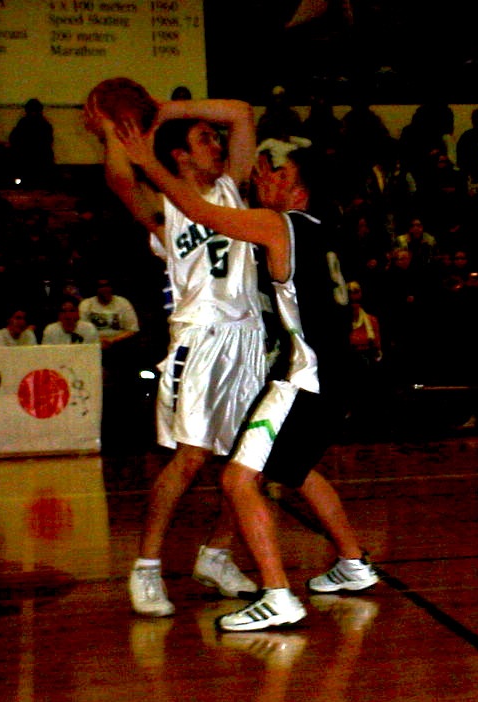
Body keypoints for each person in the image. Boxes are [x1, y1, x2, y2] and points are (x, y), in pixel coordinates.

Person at [117, 125, 379, 632]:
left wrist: (146, 160)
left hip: (304, 377)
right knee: (296, 470)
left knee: (238, 478)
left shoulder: (278, 225)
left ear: (299, 194)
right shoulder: (322, 230)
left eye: (280, 175)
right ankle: (353, 562)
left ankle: (278, 595)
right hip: (336, 374)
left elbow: (202, 212)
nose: (266, 177)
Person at [91, 95, 266, 617]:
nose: (216, 142)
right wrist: (116, 128)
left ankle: (217, 556)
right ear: (180, 157)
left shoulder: (233, 187)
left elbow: (241, 113)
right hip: (200, 338)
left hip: (249, 337)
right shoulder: (162, 209)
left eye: (213, 137)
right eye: (203, 139)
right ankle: (145, 567)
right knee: (190, 458)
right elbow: (121, 180)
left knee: (251, 461)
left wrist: (161, 109)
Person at [78, 276, 139, 351]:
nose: (105, 289)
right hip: (94, 343)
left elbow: (132, 329)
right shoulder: (86, 304)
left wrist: (112, 340)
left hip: (119, 343)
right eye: (101, 287)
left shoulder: (123, 302)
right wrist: (99, 340)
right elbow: (82, 328)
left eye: (107, 286)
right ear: (96, 289)